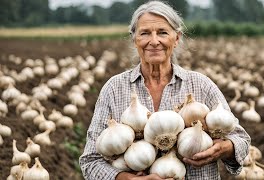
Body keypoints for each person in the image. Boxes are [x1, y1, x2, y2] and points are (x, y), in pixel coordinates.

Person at [79, 1, 251, 179]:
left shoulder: (201, 85)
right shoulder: (114, 89)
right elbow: (90, 161)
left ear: (176, 38)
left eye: (162, 32)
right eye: (145, 33)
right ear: (134, 39)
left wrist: (223, 149)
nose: (154, 41)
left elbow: (242, 141)